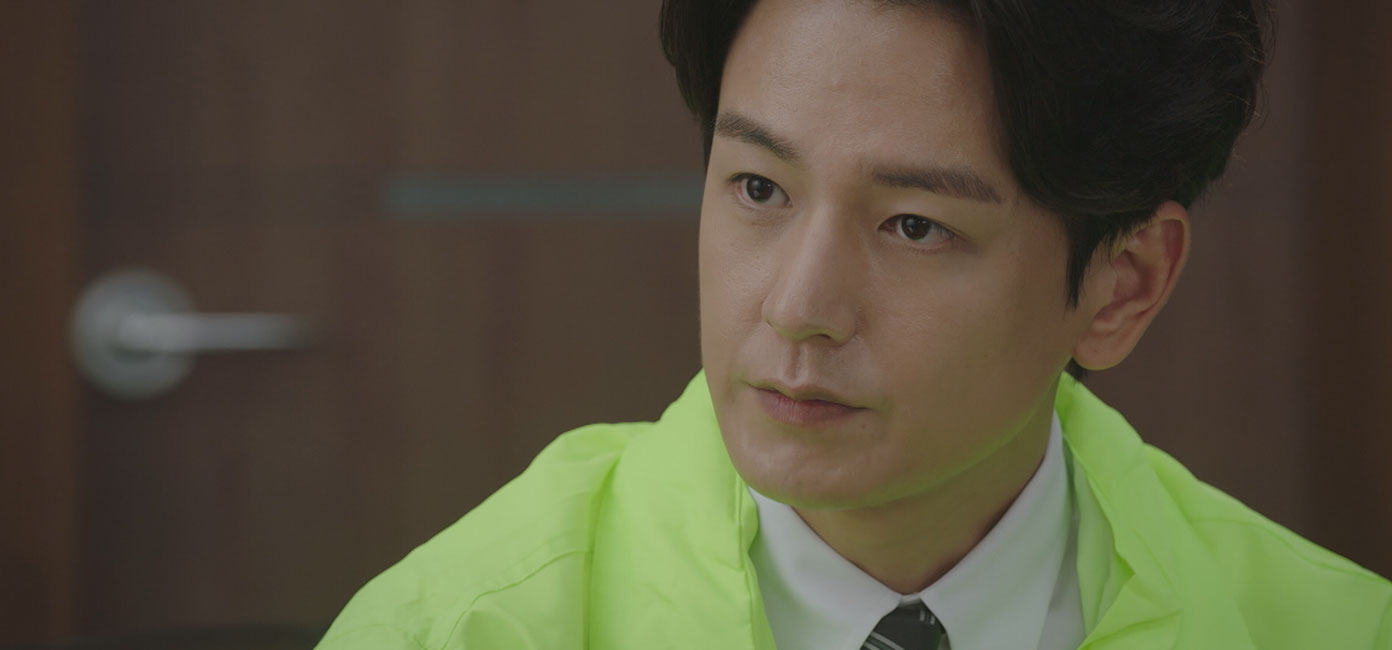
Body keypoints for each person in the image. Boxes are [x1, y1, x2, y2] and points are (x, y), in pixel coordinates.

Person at [316, 0, 1392, 648]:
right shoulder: (452, 630)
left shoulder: (1335, 631)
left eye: (915, 225)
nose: (796, 307)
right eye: (758, 189)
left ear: (1122, 287)